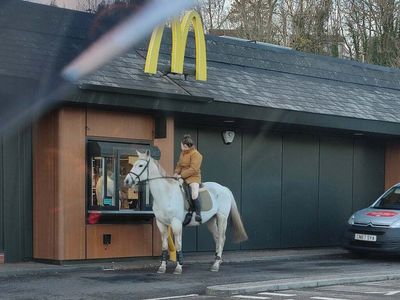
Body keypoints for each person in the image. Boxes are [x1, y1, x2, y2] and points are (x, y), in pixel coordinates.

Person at [173, 134, 203, 223]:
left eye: (181, 145)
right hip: (182, 176)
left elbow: (194, 169)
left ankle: (198, 213)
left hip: (193, 177)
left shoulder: (197, 155)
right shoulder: (182, 153)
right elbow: (179, 164)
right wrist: (175, 173)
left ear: (185, 145)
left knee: (194, 193)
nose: (180, 146)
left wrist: (181, 175)